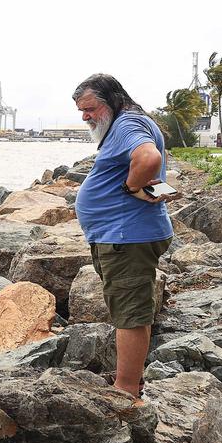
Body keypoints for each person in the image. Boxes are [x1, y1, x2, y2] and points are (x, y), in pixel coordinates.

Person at [71, 74, 180, 402]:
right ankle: (132, 380)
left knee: (130, 315)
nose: (85, 117)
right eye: (81, 111)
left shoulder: (127, 123)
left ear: (111, 100)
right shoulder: (131, 121)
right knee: (131, 311)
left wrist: (133, 186)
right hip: (123, 234)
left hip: (126, 237)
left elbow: (149, 160)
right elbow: (153, 171)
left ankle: (127, 390)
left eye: (89, 109)